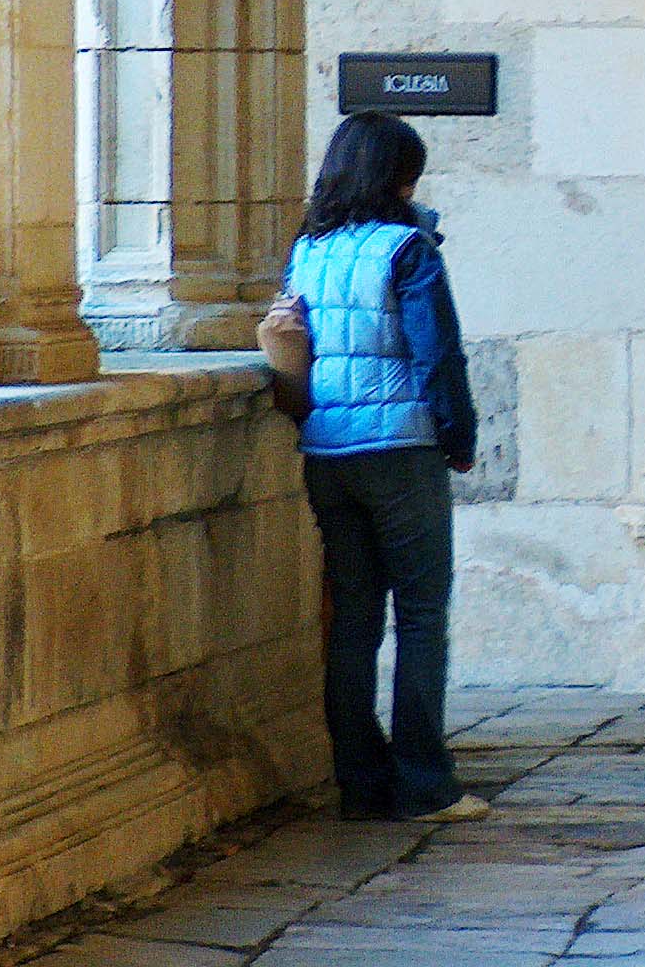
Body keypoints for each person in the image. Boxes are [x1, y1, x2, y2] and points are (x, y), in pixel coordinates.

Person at [260, 111, 491, 824]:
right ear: (399, 176)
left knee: (355, 621)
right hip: (400, 448)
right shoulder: (408, 248)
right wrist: (457, 434)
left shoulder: (309, 249)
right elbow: (436, 353)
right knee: (422, 616)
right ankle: (426, 784)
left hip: (328, 453)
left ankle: (359, 782)